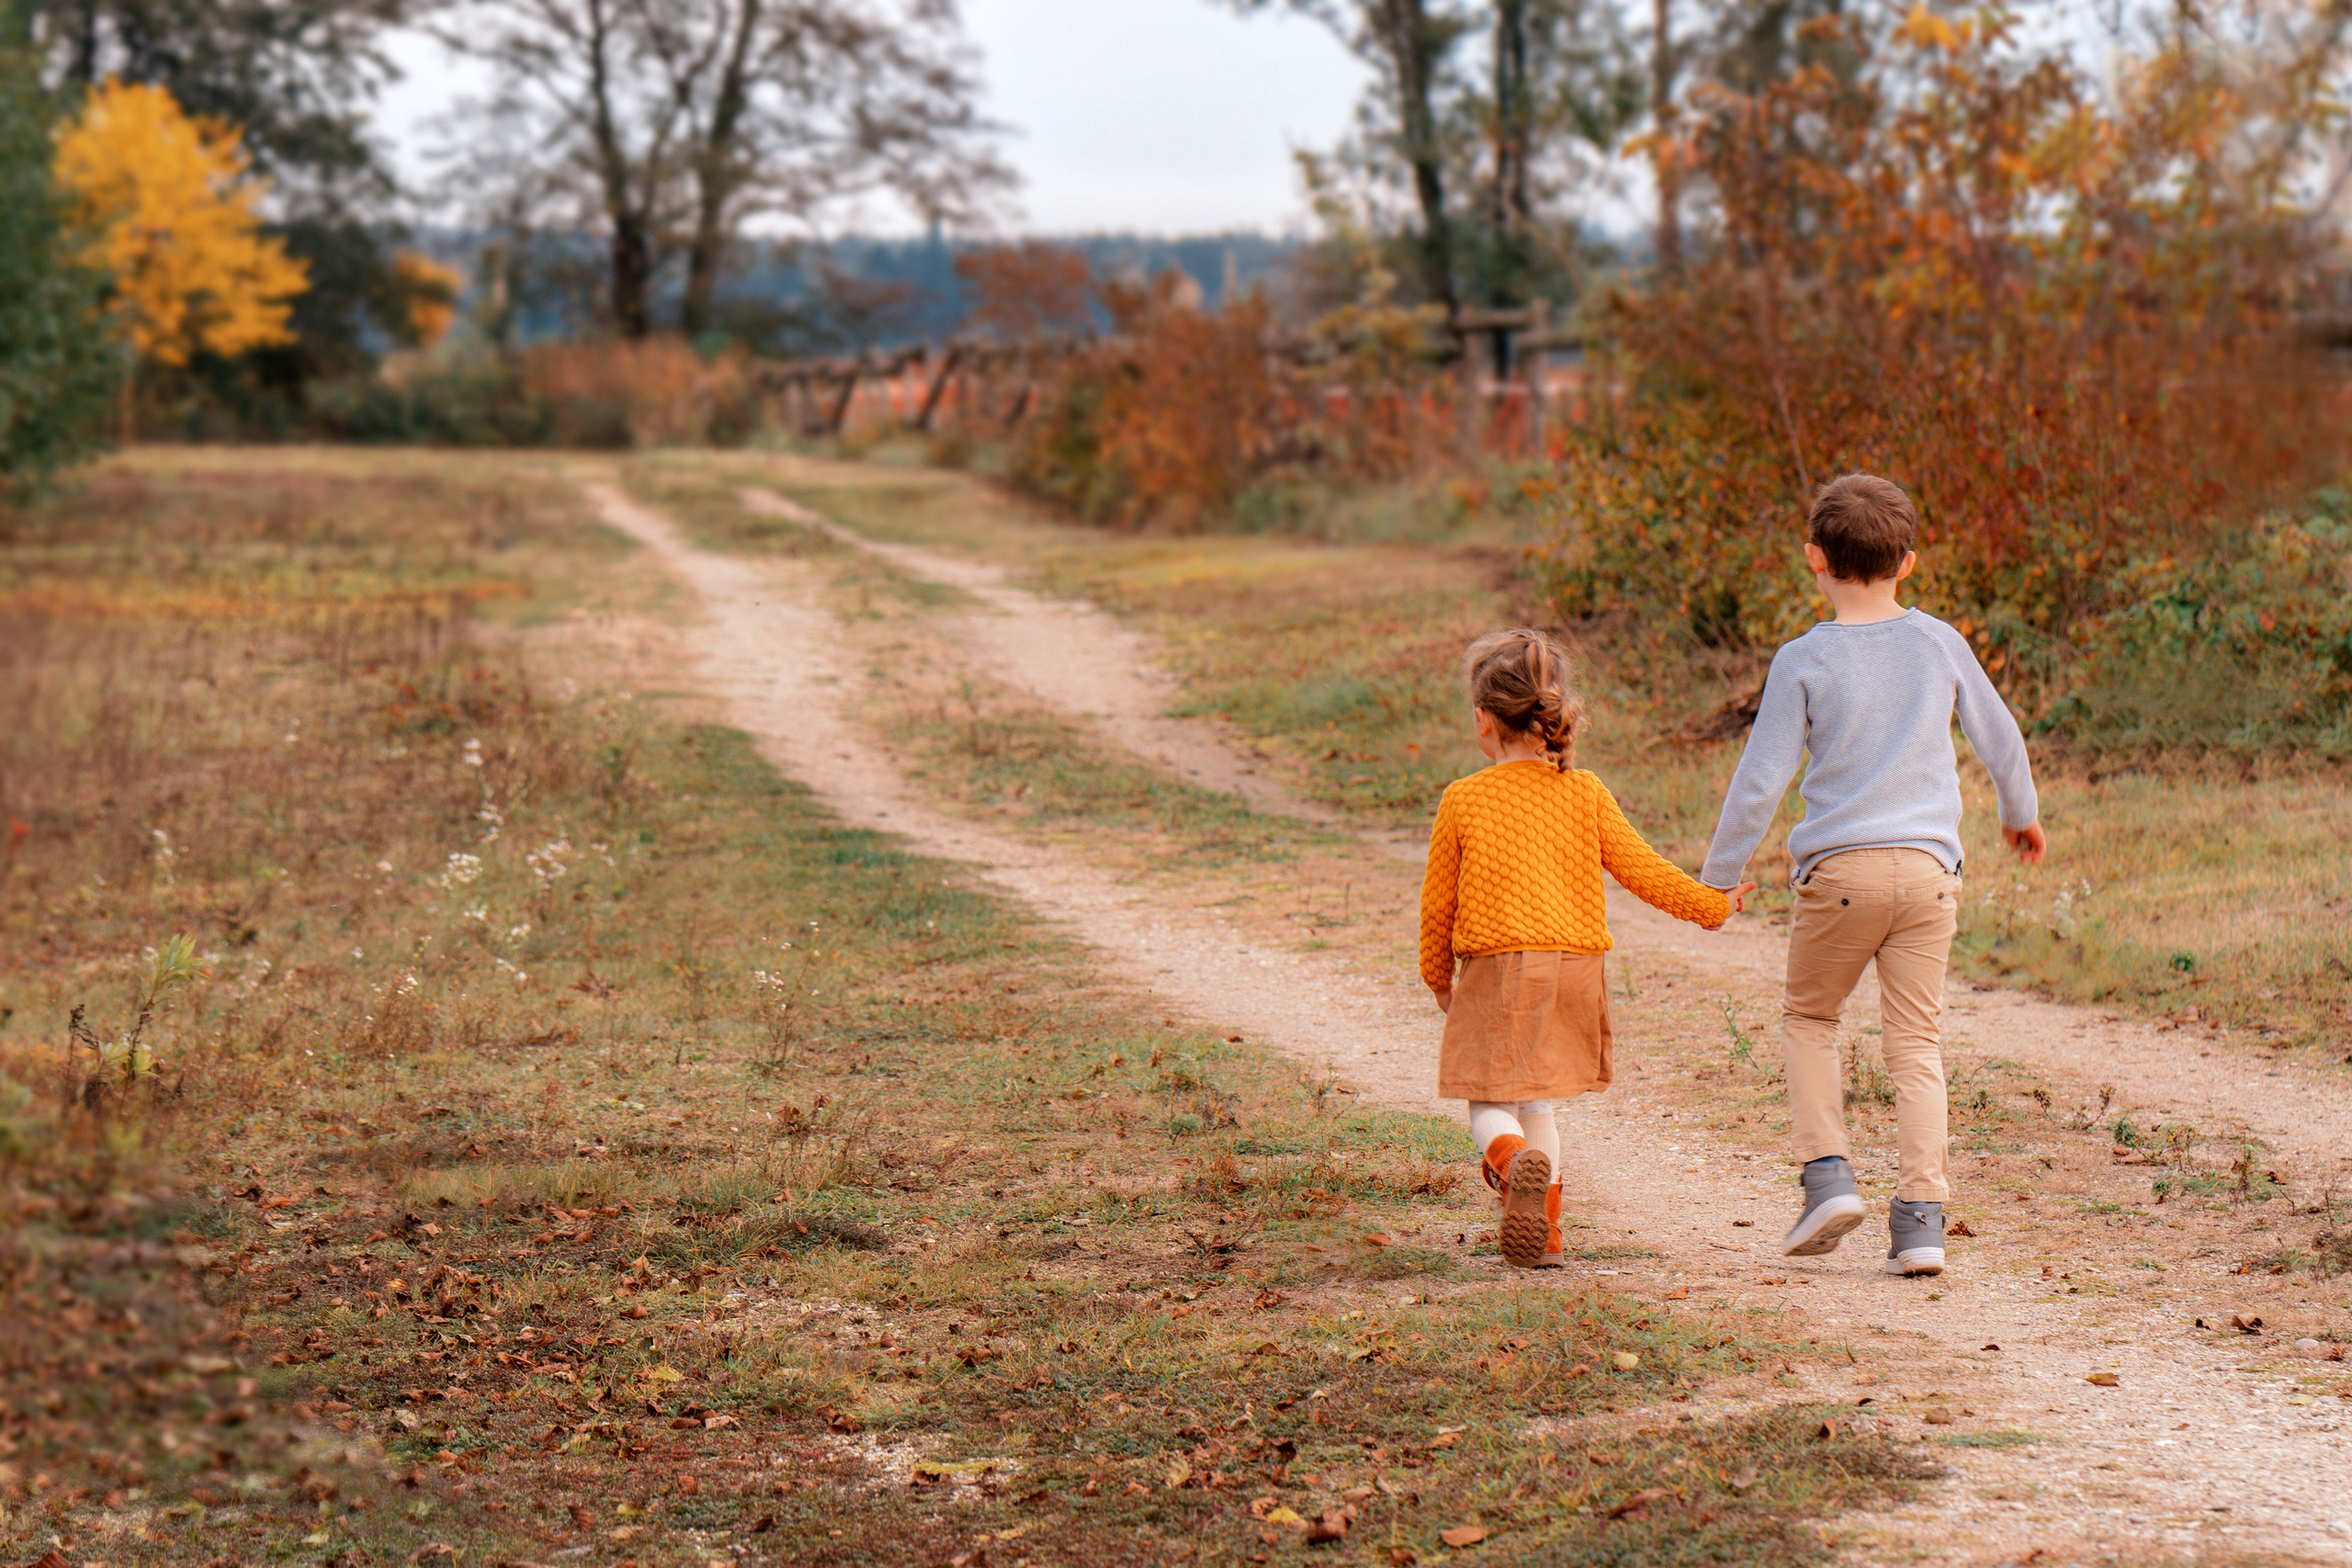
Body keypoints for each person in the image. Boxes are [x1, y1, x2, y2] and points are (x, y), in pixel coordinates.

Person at [1700, 474, 2045, 1278]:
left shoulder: (1804, 658)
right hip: (1930, 875)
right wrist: (2017, 812)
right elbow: (2002, 738)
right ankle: (1922, 1220)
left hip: (1841, 874)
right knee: (1915, 1043)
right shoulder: (1940, 642)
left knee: (1811, 1018)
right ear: (1910, 562)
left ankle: (1828, 1178)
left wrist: (1719, 877)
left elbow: (1761, 781)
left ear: (1814, 559)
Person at [1420, 628, 1754, 1269]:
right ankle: (1544, 1235)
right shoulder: (1586, 790)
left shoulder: (1463, 798)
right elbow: (1644, 870)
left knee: (1490, 1099)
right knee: (1538, 1097)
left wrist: (1439, 980)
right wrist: (1712, 905)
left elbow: (1439, 906)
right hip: (1575, 968)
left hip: (1500, 964)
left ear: (1483, 719)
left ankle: (1512, 1161)